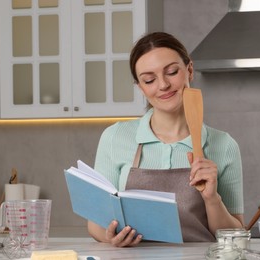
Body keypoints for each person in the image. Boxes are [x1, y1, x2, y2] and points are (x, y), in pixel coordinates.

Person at [88, 32, 244, 247]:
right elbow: (95, 223)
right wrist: (110, 236)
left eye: (171, 72)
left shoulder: (223, 145)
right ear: (140, 88)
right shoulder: (115, 137)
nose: (163, 85)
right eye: (149, 80)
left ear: (189, 70)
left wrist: (211, 198)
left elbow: (235, 234)